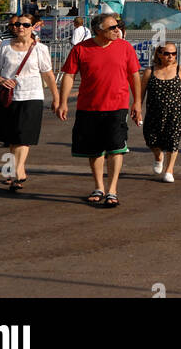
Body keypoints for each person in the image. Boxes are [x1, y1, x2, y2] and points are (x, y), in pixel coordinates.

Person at [58, 12, 142, 206]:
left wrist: (137, 102)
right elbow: (69, 76)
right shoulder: (80, 49)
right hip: (89, 106)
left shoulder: (125, 47)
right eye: (112, 28)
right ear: (98, 30)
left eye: (117, 26)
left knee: (116, 148)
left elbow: (134, 76)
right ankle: (98, 186)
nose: (117, 30)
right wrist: (62, 102)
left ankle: (112, 190)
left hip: (117, 106)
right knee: (95, 150)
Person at [0, 14, 59, 191]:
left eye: (25, 25)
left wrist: (56, 97)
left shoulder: (40, 49)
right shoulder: (4, 46)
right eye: (17, 24)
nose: (20, 27)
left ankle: (18, 171)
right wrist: (1, 80)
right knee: (11, 139)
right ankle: (11, 171)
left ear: (33, 27)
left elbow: (48, 74)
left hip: (32, 96)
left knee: (23, 136)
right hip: (9, 97)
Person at [140, 42, 181, 182]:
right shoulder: (149, 71)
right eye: (167, 53)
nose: (171, 56)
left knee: (173, 139)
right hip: (154, 112)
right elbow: (141, 92)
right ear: (159, 54)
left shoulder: (180, 70)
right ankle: (158, 157)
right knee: (151, 139)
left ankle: (169, 170)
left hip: (176, 112)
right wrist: (137, 108)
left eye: (173, 53)